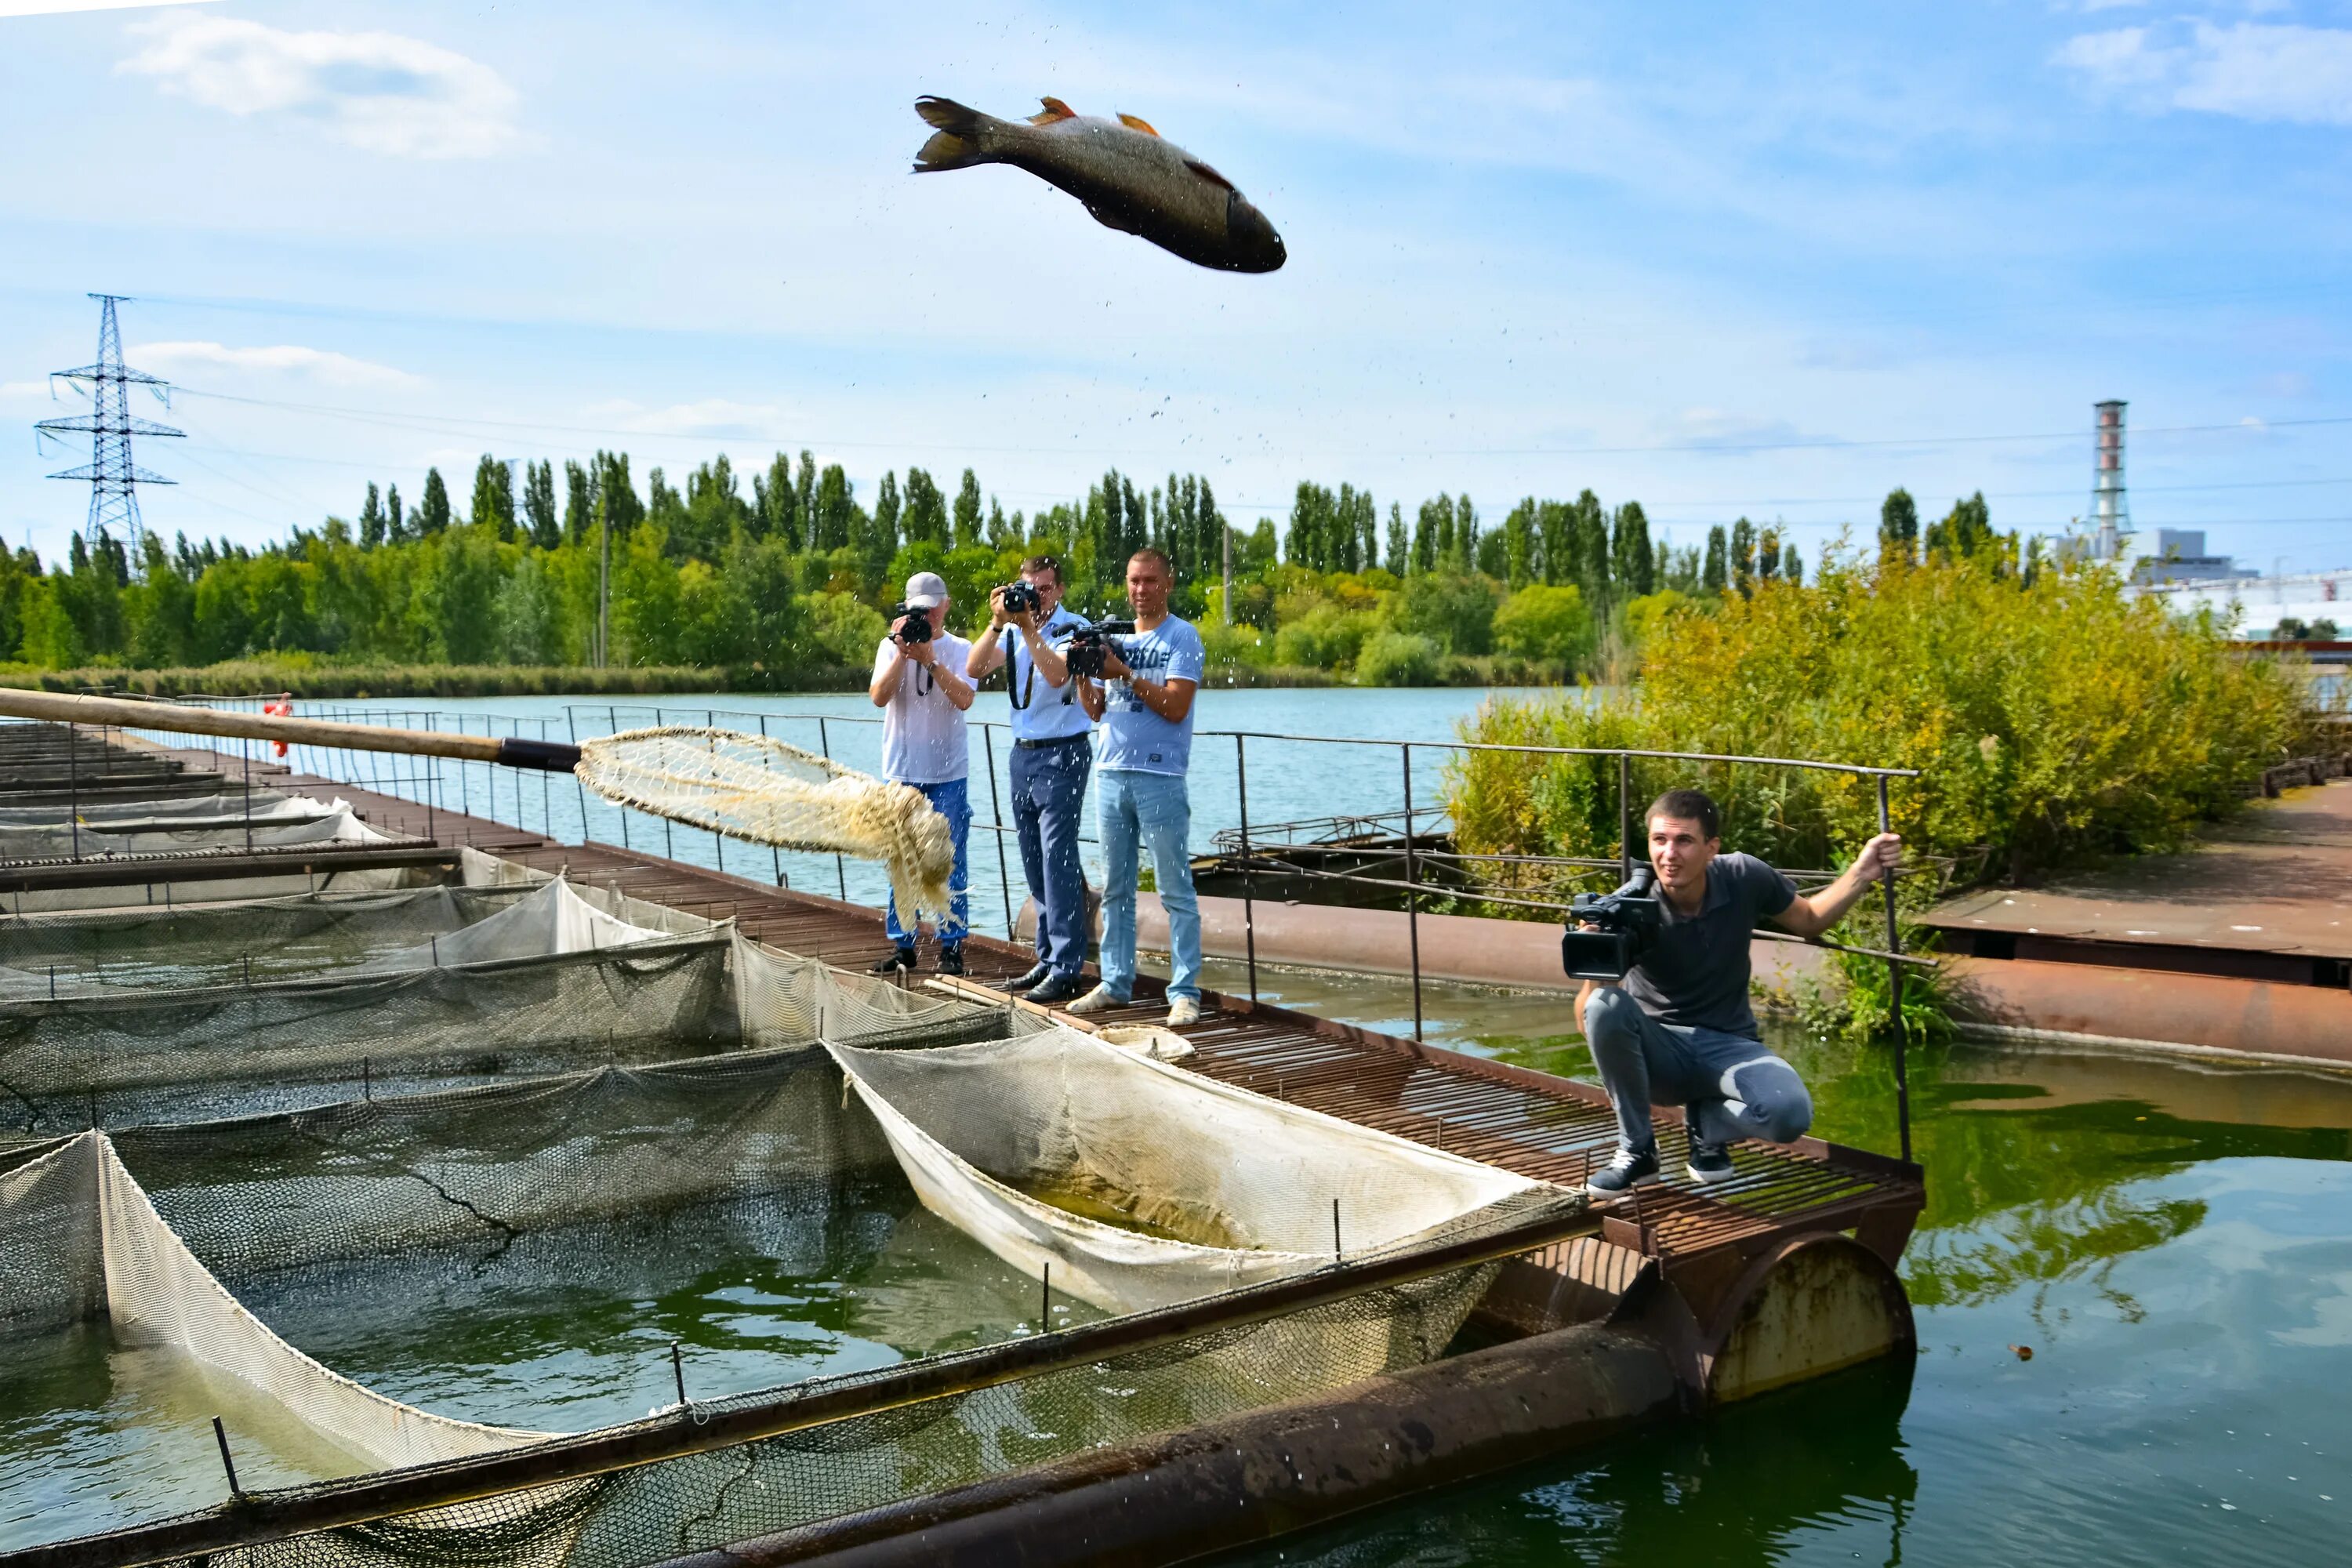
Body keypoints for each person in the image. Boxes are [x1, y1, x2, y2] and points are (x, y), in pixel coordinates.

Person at [1578, 787, 1901, 1196]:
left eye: (1684, 841)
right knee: (1604, 1005)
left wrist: (1862, 872)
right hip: (1659, 1057)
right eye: (1659, 840)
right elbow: (1590, 1020)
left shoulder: (1744, 875)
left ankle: (1708, 1125)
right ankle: (1638, 1150)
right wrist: (1596, 957)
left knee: (1789, 1114)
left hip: (1730, 1046)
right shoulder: (1631, 905)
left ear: (1712, 848)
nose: (1669, 854)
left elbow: (1810, 920)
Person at [1069, 547, 1205, 1027]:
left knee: (1175, 889)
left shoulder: (1182, 637)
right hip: (1110, 772)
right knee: (1116, 890)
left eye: (1149, 580)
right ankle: (1115, 982)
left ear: (1167, 584)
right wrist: (1083, 672)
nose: (1140, 589)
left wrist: (1123, 672)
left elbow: (1175, 708)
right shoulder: (1114, 638)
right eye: (1133, 581)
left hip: (1161, 777)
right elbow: (1095, 711)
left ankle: (1185, 991)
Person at [965, 554, 1092, 1005]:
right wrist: (999, 622)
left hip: (1063, 752)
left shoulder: (1074, 626)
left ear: (1057, 590)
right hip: (1024, 754)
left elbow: (1059, 675)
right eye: (1027, 587)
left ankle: (1066, 967)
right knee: (1033, 858)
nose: (1034, 596)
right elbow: (974, 669)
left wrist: (1030, 628)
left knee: (1058, 860)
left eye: (1042, 588)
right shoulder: (1016, 628)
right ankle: (1047, 956)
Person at [867, 570, 975, 976]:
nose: (925, 619)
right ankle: (904, 946)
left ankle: (951, 947)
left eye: (931, 611)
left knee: (950, 861)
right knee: (900, 860)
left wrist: (930, 659)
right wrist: (901, 652)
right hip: (900, 773)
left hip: (948, 773)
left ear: (945, 606)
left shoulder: (961, 648)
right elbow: (878, 697)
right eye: (917, 612)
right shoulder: (889, 646)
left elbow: (965, 699)